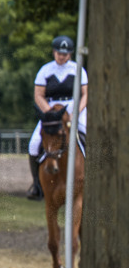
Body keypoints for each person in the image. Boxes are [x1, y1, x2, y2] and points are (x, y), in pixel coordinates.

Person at [26, 35, 87, 200]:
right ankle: (36, 185)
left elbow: (85, 94)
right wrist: (50, 113)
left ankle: (94, 178)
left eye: (65, 54)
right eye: (59, 53)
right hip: (51, 111)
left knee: (89, 136)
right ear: (54, 52)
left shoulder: (78, 69)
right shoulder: (46, 70)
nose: (62, 56)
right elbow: (38, 95)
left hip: (75, 109)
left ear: (70, 54)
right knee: (33, 144)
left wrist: (76, 113)